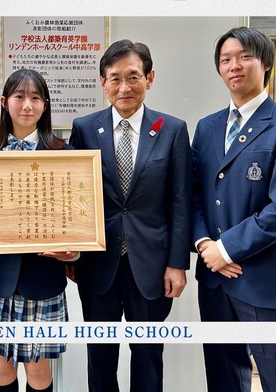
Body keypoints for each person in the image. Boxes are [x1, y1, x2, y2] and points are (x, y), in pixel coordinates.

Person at [192, 27, 276, 392]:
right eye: (226, 59)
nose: (235, 66)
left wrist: (226, 249)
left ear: (266, 64)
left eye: (245, 57)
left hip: (263, 278)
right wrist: (204, 244)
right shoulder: (207, 127)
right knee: (223, 377)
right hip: (214, 279)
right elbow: (194, 195)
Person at [69, 39, 192, 392]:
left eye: (133, 76)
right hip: (98, 264)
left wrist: (177, 263)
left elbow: (180, 202)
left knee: (148, 356)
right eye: (115, 78)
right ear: (103, 83)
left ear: (149, 78)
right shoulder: (84, 128)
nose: (124, 87)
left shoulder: (172, 130)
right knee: (100, 357)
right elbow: (75, 196)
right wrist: (73, 252)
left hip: (153, 264)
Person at [0, 69, 76, 392]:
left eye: (35, 97)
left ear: (45, 105)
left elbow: (76, 219)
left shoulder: (65, 154)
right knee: (1, 365)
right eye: (19, 96)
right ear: (5, 102)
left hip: (42, 278)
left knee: (38, 370)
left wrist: (74, 252)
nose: (27, 105)